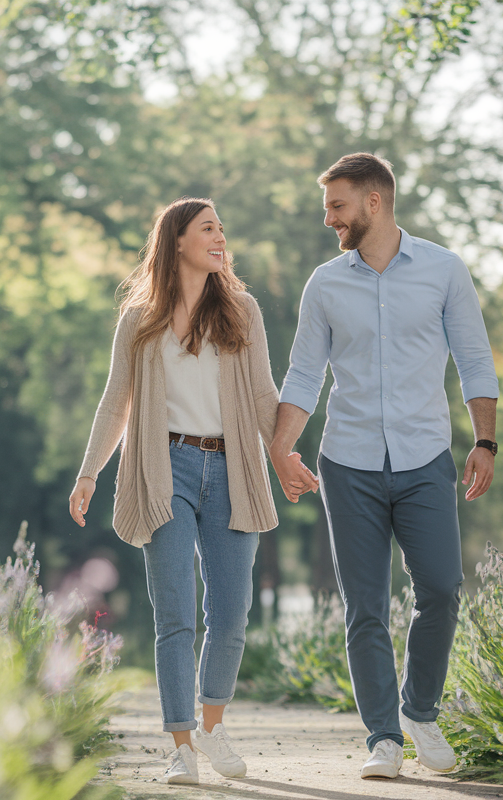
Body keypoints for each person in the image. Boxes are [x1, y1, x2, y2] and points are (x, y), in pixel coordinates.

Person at [69, 197, 315, 785]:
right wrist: (88, 472)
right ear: (177, 239)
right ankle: (180, 745)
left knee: (230, 615)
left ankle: (212, 725)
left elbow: (262, 395)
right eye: (209, 228)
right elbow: (116, 401)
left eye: (222, 229)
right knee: (175, 613)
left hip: (232, 469)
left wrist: (282, 453)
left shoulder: (242, 311)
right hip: (163, 468)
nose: (220, 237)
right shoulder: (139, 317)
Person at [271, 153, 499, 778]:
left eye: (337, 206)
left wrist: (486, 441)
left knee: (442, 591)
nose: (328, 218)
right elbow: (303, 374)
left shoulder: (444, 270)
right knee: (364, 605)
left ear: (374, 202)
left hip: (426, 457)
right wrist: (279, 448)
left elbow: (474, 359)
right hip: (348, 462)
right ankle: (382, 739)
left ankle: (419, 712)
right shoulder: (325, 283)